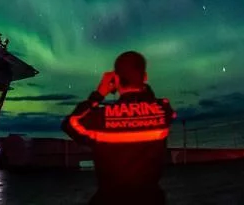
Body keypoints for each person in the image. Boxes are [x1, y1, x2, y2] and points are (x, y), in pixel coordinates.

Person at [62, 51, 176, 205]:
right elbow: (157, 104)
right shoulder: (163, 109)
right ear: (145, 77)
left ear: (115, 79)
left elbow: (69, 124)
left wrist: (98, 94)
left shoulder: (99, 119)